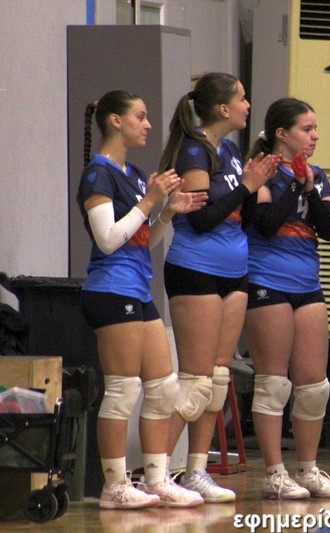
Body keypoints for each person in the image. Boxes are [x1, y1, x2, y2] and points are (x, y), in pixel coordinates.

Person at [77, 90, 209, 508]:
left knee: (164, 389)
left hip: (137, 288)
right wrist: (150, 201)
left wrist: (167, 212)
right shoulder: (98, 174)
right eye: (140, 116)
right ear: (115, 121)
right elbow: (108, 239)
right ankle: (114, 487)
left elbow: (142, 240)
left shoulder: (133, 173)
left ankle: (156, 479)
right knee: (122, 391)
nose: (148, 124)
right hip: (110, 290)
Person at [158, 72, 277, 503]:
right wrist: (247, 186)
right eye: (242, 98)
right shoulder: (195, 151)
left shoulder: (229, 150)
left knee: (217, 379)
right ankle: (155, 472)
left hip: (235, 271)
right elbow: (202, 219)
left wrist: (259, 189)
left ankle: (195, 472)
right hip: (196, 269)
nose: (248, 105)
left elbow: (241, 215)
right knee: (195, 382)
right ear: (224, 109)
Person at [242, 97, 330, 499]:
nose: (315, 135)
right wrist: (294, 184)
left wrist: (309, 185)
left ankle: (309, 468)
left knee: (315, 386)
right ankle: (274, 473)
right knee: (273, 384)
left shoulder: (318, 175)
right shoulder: (261, 171)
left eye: (315, 128)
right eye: (307, 128)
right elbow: (265, 224)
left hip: (307, 284)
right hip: (267, 280)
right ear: (282, 134)